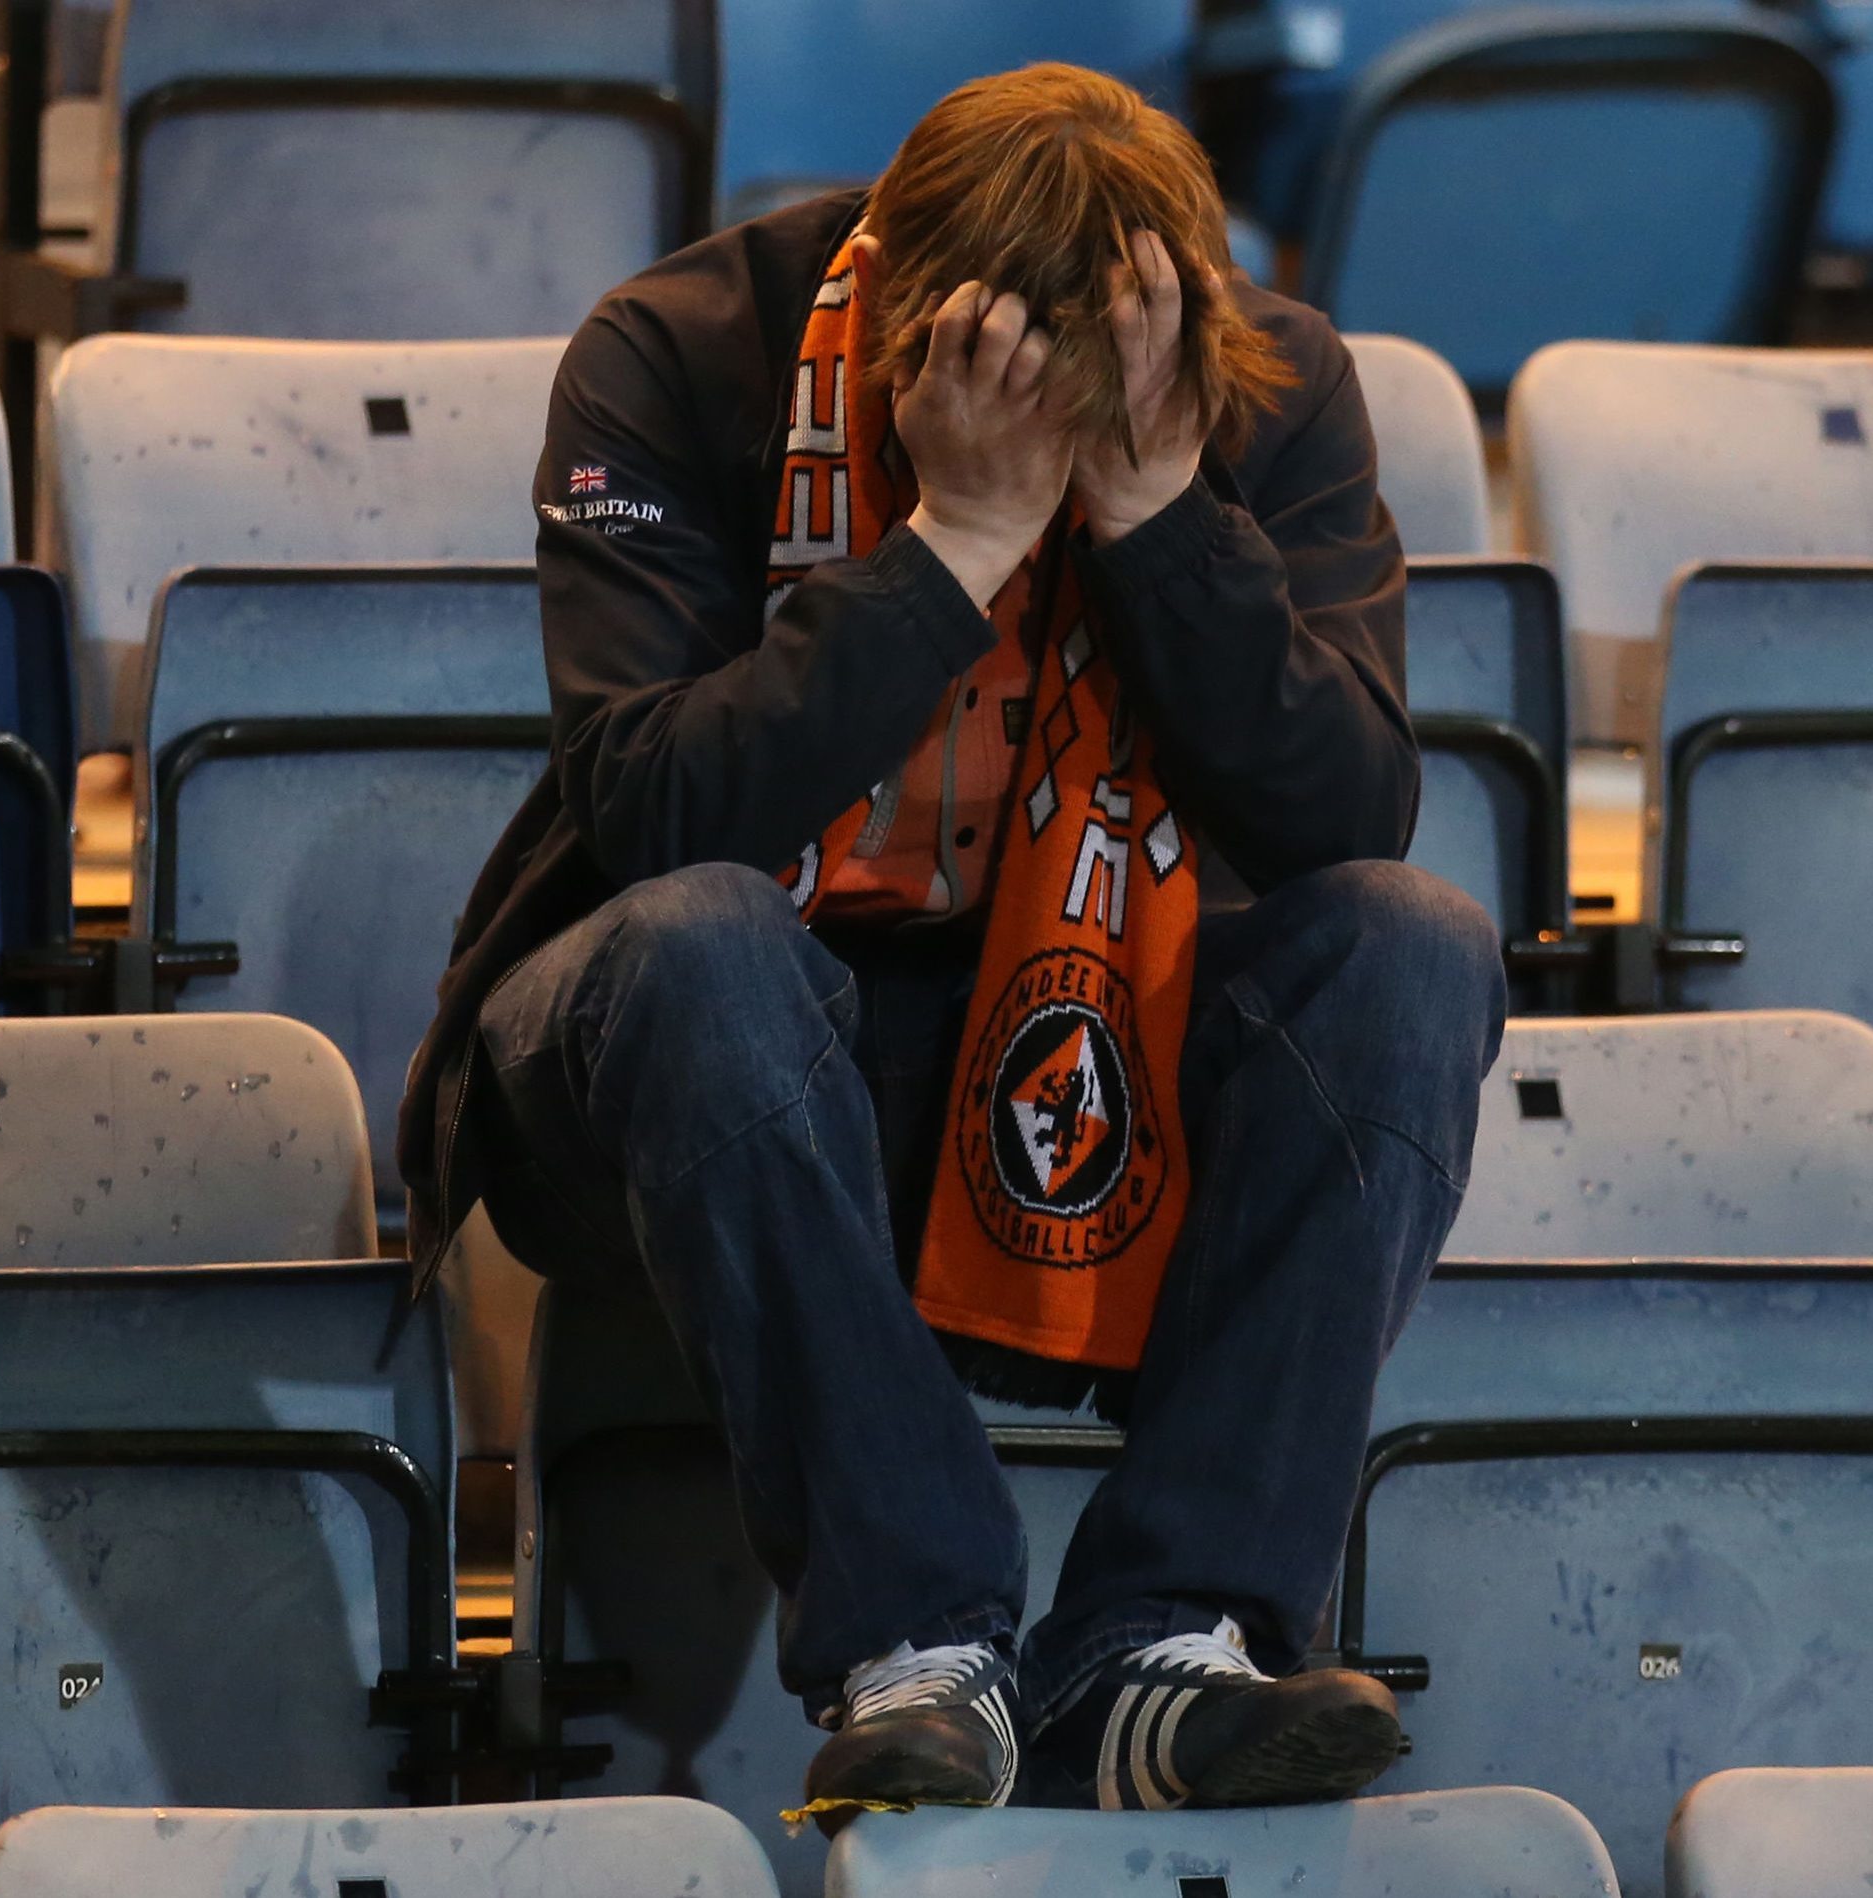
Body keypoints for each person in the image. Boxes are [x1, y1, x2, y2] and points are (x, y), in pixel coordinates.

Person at [400, 62, 1507, 1816]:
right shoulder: (680, 347)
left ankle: (1166, 1639)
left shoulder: (1257, 383)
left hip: (1085, 1043)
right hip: (696, 1057)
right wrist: (955, 543)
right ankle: (921, 1643)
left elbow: (1343, 816)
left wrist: (1154, 524)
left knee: (1412, 943)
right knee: (699, 938)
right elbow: (652, 817)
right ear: (909, 323)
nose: (1067, 421)